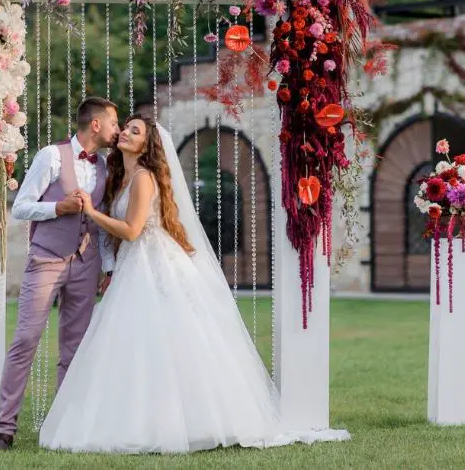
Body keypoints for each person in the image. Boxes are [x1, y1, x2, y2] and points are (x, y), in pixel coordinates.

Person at [38, 114, 349, 453]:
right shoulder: (122, 177)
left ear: (147, 145)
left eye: (135, 131)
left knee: (170, 339)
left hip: (153, 262)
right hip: (133, 264)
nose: (125, 132)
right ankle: (146, 418)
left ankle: (187, 420)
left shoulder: (143, 178)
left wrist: (90, 212)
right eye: (126, 127)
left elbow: (132, 230)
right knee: (139, 343)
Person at [0, 97, 120, 450]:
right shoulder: (50, 155)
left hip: (87, 262)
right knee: (25, 341)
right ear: (96, 124)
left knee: (74, 349)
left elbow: (103, 227)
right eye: (113, 123)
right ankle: (5, 429)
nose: (117, 130)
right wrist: (58, 207)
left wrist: (107, 268)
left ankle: (64, 427)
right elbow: (19, 207)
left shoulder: (107, 167)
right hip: (47, 258)